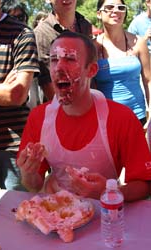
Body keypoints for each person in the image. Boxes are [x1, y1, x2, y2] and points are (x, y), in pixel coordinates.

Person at [17, 31, 151, 202]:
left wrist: (109, 193)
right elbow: (34, 185)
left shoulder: (121, 118)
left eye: (70, 59)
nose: (59, 68)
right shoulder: (39, 117)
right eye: (54, 60)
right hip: (54, 215)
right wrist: (28, 173)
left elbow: (145, 185)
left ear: (92, 70)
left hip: (104, 217)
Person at [0, 0, 39, 193]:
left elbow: (16, 94)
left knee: (19, 215)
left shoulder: (22, 34)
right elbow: (9, 93)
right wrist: (2, 90)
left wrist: (9, 91)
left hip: (14, 149)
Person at [94, 0, 151, 126]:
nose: (116, 11)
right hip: (105, 121)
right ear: (99, 14)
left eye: (121, 7)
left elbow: (149, 81)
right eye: (109, 7)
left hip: (137, 118)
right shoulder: (93, 47)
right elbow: (89, 87)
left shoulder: (139, 43)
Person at [34, 0, 94, 102]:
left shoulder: (85, 25)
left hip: (87, 102)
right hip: (61, 107)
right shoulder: (42, 33)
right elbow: (47, 81)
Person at [128, 0, 151, 66]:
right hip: (144, 62)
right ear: (148, 2)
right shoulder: (137, 22)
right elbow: (129, 47)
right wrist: (145, 38)